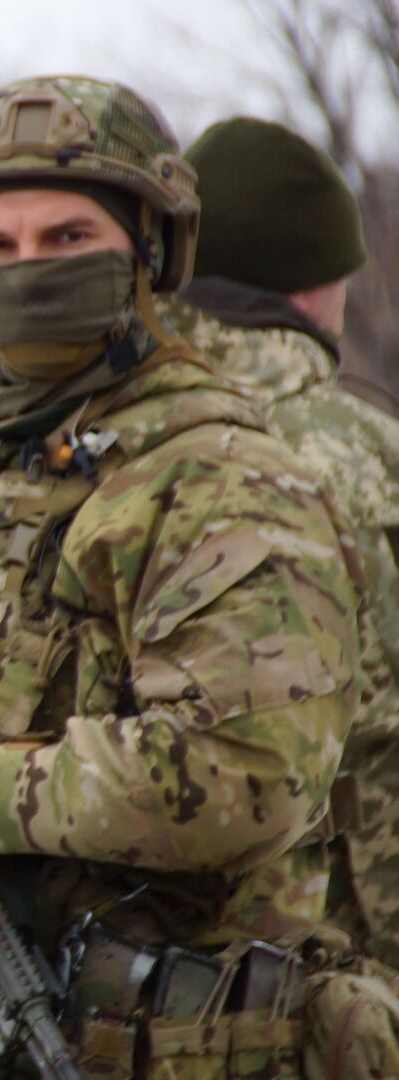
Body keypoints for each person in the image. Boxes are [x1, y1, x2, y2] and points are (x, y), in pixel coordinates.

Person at [0, 76, 364, 1074]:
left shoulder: (218, 475)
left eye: (67, 239)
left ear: (150, 253)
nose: (27, 268)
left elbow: (243, 778)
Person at [159, 117, 399, 969]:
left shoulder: (118, 437)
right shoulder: (354, 452)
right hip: (335, 975)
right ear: (313, 283)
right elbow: (376, 741)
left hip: (142, 976)